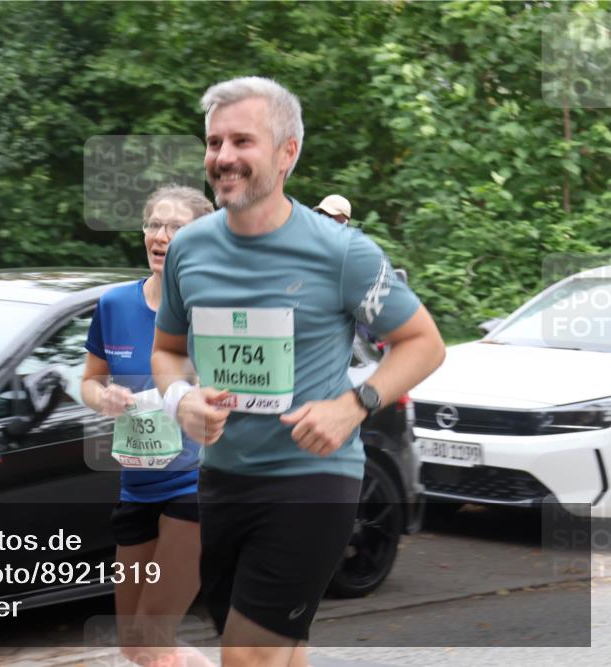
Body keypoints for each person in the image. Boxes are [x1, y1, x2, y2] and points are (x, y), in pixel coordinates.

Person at [151, 76, 446, 667]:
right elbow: (168, 351)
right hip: (223, 480)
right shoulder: (190, 249)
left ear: (288, 153)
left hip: (312, 482)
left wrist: (353, 404)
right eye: (214, 142)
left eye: (242, 141)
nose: (223, 157)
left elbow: (424, 344)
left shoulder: (341, 253)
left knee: (247, 655)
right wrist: (179, 397)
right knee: (279, 651)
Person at [81, 185, 216, 667]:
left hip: (195, 485)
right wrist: (106, 398)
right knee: (135, 646)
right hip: (136, 484)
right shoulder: (115, 304)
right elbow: (90, 383)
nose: (161, 236)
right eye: (154, 225)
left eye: (175, 227)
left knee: (156, 638)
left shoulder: (211, 313)